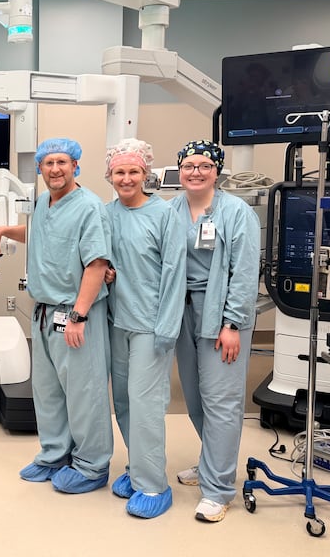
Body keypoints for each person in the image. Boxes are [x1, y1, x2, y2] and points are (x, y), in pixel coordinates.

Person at [0, 138, 114, 494]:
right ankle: (55, 454)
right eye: (48, 163)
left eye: (62, 162)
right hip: (44, 312)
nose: (55, 169)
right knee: (48, 392)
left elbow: (97, 264)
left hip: (75, 314)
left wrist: (78, 315)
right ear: (40, 169)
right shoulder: (42, 202)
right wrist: (2, 231)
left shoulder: (89, 207)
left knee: (83, 392)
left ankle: (92, 465)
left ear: (75, 166)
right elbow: (39, 234)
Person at [169, 139, 260, 523]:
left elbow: (244, 271)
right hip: (181, 311)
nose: (195, 172)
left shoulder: (236, 212)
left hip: (220, 313)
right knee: (194, 396)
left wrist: (233, 324)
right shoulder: (170, 209)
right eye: (188, 165)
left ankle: (219, 488)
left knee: (221, 401)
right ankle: (211, 462)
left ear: (216, 171)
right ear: (180, 170)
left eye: (204, 165)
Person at [103, 138, 186, 518]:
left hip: (151, 324)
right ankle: (137, 468)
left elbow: (174, 273)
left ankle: (154, 486)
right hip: (116, 321)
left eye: (133, 171)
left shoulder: (164, 214)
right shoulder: (107, 214)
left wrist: (167, 327)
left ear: (145, 174)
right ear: (110, 176)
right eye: (119, 172)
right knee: (122, 400)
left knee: (146, 403)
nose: (126, 178)